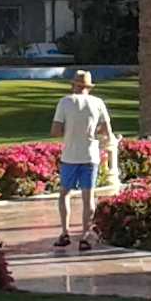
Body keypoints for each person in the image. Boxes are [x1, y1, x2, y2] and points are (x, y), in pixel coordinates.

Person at [50, 70, 114, 252]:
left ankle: (65, 233)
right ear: (88, 87)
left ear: (73, 85)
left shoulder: (65, 102)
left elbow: (55, 130)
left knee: (64, 194)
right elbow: (107, 131)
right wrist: (91, 131)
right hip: (90, 156)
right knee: (88, 197)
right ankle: (85, 236)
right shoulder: (98, 103)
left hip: (70, 156)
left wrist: (70, 131)